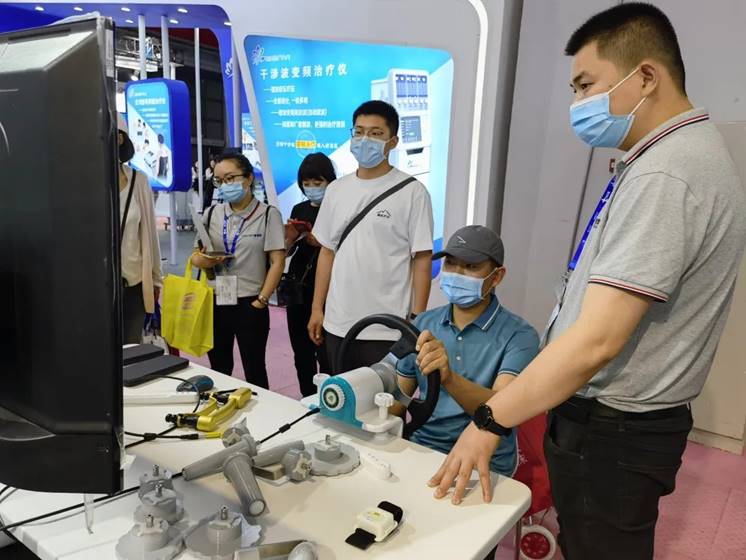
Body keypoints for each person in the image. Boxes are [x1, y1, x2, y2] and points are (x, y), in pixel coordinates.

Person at [428, 4, 746, 560]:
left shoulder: (667, 173)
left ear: (645, 76)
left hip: (614, 430)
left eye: (585, 85)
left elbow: (598, 339)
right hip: (609, 426)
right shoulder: (665, 159)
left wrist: (490, 420)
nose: (577, 105)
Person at [395, 226, 539, 476]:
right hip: (423, 446)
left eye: (471, 266)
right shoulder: (423, 323)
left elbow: (503, 410)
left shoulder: (520, 336)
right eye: (451, 263)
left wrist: (448, 377)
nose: (457, 273)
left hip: (486, 458)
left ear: (497, 276)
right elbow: (397, 398)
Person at [309, 100, 434, 374]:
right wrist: (317, 308)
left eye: (376, 133)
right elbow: (327, 252)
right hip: (338, 323)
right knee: (339, 395)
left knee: (382, 399)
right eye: (359, 132)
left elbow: (422, 259)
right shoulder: (337, 190)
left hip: (386, 328)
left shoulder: (412, 192)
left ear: (393, 141)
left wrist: (417, 318)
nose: (365, 140)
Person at [191, 152, 285, 389]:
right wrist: (205, 261)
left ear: (249, 178)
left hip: (250, 302)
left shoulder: (268, 214)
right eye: (219, 180)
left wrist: (262, 300)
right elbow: (195, 256)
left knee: (255, 369)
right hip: (215, 300)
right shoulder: (212, 213)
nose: (225, 185)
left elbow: (277, 262)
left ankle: (262, 410)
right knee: (219, 367)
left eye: (230, 178)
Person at [285, 153, 336, 396]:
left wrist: (321, 242)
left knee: (326, 351)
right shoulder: (300, 208)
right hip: (298, 286)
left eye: (318, 182)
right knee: (301, 350)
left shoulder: (337, 209)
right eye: (307, 183)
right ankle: (307, 396)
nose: (312, 188)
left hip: (328, 289)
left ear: (330, 181)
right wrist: (289, 238)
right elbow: (287, 251)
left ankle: (329, 398)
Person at [117, 115, 163, 344]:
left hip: (132, 284)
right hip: (93, 287)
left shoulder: (138, 181)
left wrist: (155, 278)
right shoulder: (82, 182)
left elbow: (150, 234)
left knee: (131, 349)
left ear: (119, 138)